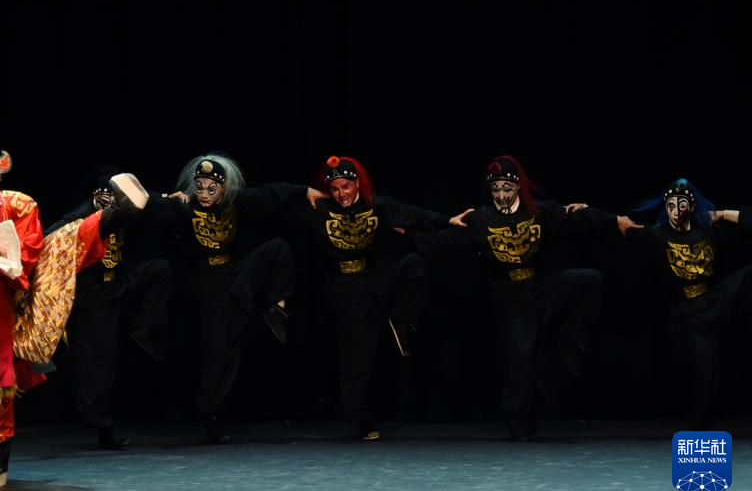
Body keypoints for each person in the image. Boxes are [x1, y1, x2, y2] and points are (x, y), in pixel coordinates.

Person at [0, 135, 146, 487]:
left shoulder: (16, 205)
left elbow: (32, 247)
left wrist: (5, 250)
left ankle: (118, 212)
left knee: (63, 243)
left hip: (14, 290)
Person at [422, 155, 640, 441]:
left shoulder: (538, 211)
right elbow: (443, 242)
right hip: (510, 296)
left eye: (506, 188)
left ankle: (570, 336)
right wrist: (409, 231)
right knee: (522, 360)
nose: (501, 195)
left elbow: (577, 218)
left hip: (541, 286)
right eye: (495, 189)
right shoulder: (481, 219)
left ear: (517, 187)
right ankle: (518, 423)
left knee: (589, 280)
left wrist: (615, 221)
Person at [150, 153, 322, 443]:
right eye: (200, 188)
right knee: (221, 353)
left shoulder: (233, 201)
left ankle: (276, 309)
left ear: (223, 187)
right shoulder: (183, 207)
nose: (205, 194)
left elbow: (268, 194)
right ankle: (210, 415)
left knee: (277, 249)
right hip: (209, 288)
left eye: (211, 189)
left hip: (236, 276)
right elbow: (144, 203)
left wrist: (304, 191)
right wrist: (167, 197)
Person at [301, 155, 472, 441]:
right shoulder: (320, 209)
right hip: (343, 289)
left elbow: (411, 214)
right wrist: (302, 191)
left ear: (357, 184)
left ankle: (402, 321)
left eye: (346, 187)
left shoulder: (375, 205)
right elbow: (278, 201)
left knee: (412, 265)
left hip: (372, 278)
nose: (342, 194)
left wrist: (447, 220)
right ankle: (360, 418)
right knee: (357, 358)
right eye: (335, 189)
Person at [45, 169, 173, 450]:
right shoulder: (81, 215)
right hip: (92, 295)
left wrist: (168, 197)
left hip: (117, 281)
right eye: (108, 201)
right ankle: (103, 426)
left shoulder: (123, 207)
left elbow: (146, 199)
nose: (114, 207)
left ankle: (142, 328)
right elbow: (50, 236)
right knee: (99, 362)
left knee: (158, 270)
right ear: (96, 197)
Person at [627, 179, 752, 428]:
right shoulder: (658, 235)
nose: (676, 211)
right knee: (705, 370)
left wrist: (723, 214)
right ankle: (697, 425)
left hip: (715, 299)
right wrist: (591, 212)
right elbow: (621, 226)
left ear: (691, 207)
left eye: (682, 204)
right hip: (688, 311)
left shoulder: (707, 230)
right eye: (671, 205)